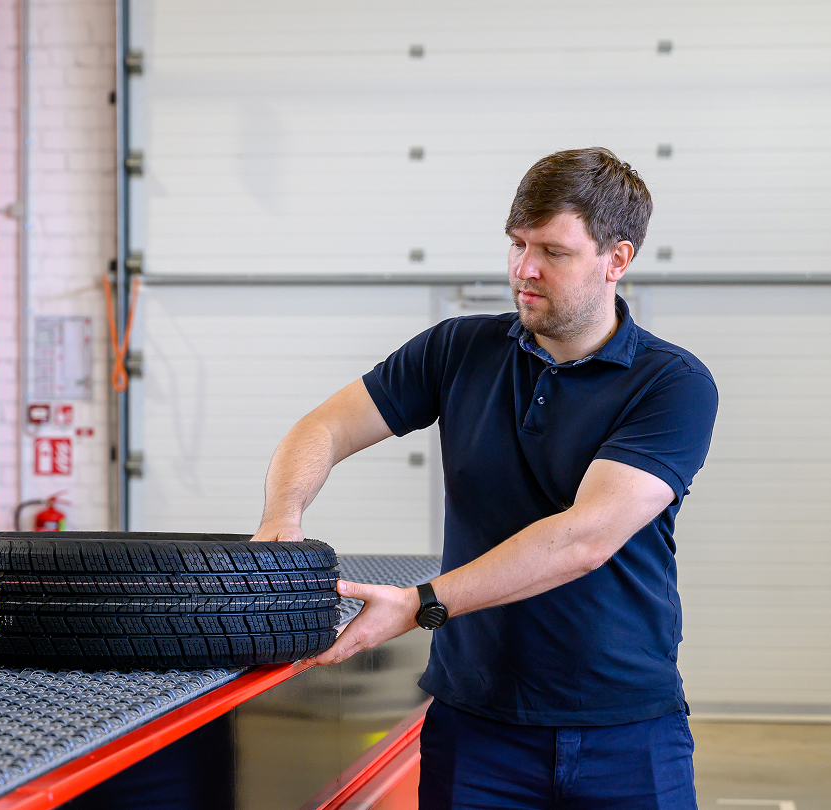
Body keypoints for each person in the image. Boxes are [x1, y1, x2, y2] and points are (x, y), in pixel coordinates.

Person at [252, 147, 718, 809]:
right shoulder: (456, 350)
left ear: (617, 259)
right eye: (516, 244)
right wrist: (283, 514)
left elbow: (583, 540)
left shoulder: (672, 383)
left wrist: (420, 605)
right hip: (476, 730)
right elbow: (321, 428)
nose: (524, 270)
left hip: (627, 733)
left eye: (553, 252)